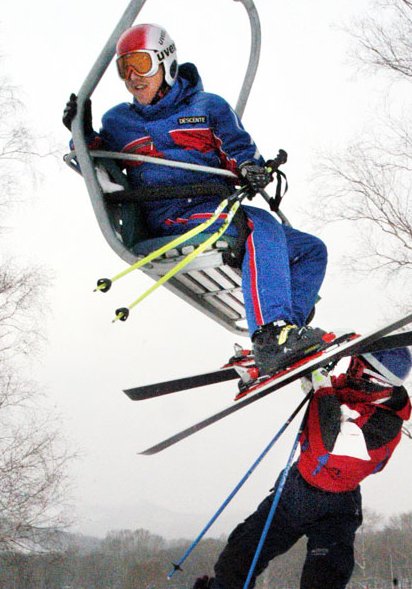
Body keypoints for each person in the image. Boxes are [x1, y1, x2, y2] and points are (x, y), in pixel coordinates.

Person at [63, 23, 331, 376]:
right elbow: (95, 160)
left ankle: (283, 334)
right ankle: (271, 337)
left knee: (311, 250)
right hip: (170, 212)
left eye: (141, 64)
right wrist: (80, 133)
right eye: (124, 68)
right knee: (259, 225)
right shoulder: (119, 121)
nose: (132, 77)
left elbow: (237, 150)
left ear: (166, 63)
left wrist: (250, 169)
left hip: (217, 207)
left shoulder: (208, 108)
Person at [171, 346, 412, 589]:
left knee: (320, 588)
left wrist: (321, 388)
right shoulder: (351, 388)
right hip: (296, 493)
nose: (351, 373)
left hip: (336, 508)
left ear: (378, 381)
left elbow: (329, 443)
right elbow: (309, 378)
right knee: (241, 550)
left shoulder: (385, 424)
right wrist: (278, 363)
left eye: (360, 371)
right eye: (353, 365)